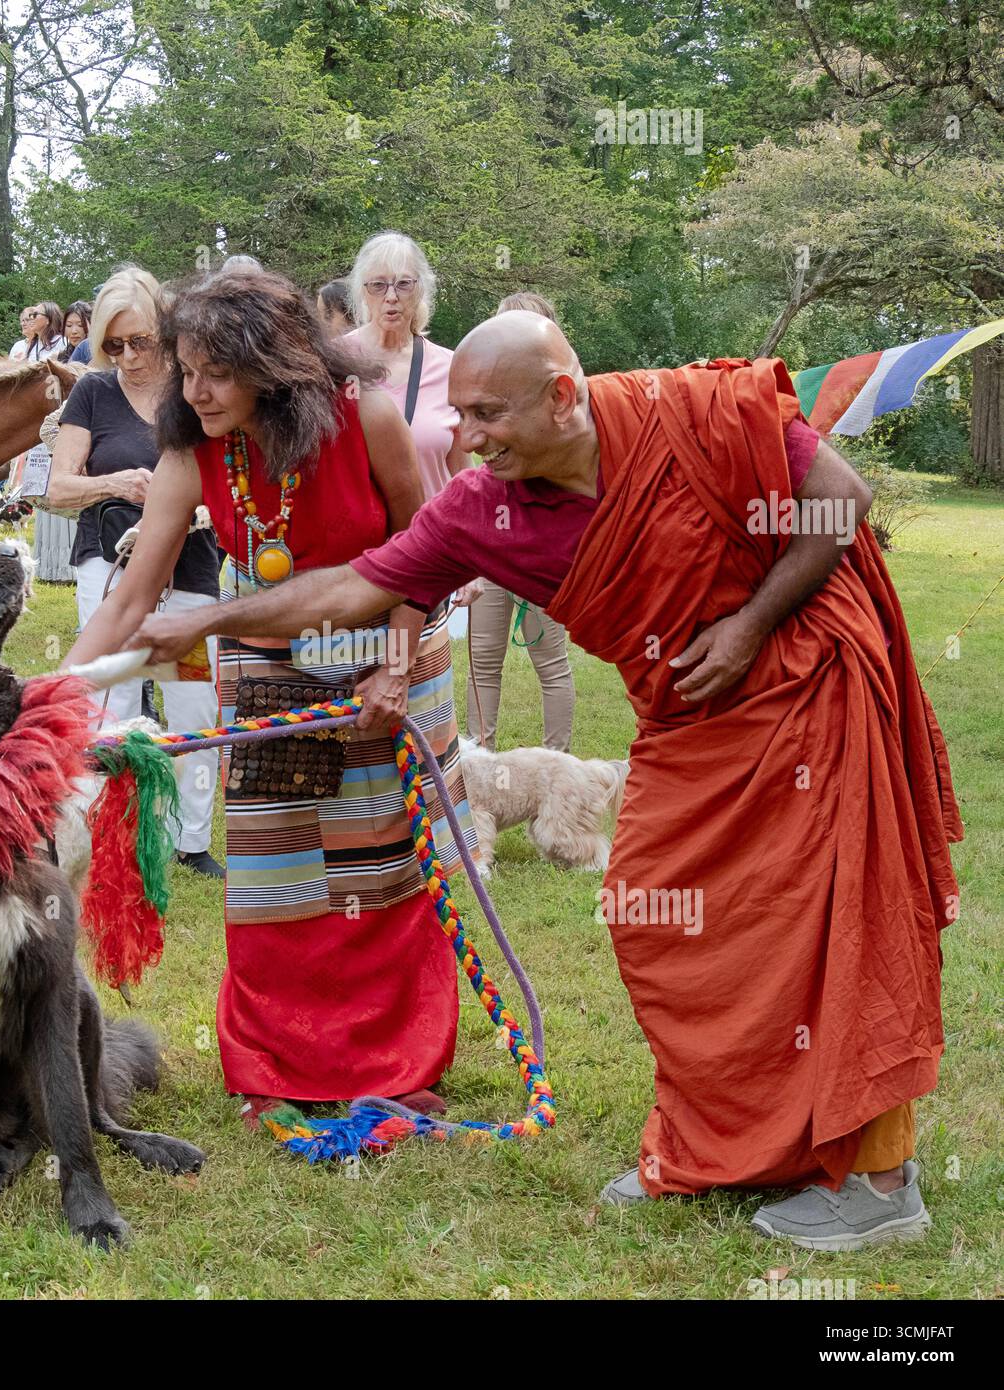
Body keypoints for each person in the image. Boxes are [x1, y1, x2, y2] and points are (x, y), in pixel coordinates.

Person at [125, 311, 962, 1251]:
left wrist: (751, 625)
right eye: (460, 415)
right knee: (670, 925)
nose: (469, 439)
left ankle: (881, 1181)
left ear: (562, 397)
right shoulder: (482, 508)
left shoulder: (687, 411)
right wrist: (206, 621)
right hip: (689, 723)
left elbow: (837, 499)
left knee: (834, 924)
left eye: (488, 416)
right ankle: (740, 1146)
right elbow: (356, 586)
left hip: (811, 688)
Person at [64, 268, 476, 1124]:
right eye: (184, 368)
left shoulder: (365, 413)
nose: (195, 389)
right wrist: (54, 699)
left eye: (216, 370)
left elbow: (428, 553)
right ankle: (282, 1063)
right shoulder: (192, 444)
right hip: (270, 668)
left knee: (385, 872)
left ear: (276, 362)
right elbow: (132, 599)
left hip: (390, 666)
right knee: (275, 873)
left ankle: (396, 1065)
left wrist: (394, 666)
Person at [49, 265, 223, 877]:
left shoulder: (194, 390)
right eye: (113, 345)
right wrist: (114, 482)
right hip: (110, 566)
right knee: (112, 701)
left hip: (194, 568)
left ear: (163, 332)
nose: (126, 357)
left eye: (139, 342)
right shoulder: (93, 393)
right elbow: (56, 487)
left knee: (194, 701)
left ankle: (191, 839)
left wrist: (200, 508)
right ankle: (112, 831)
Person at [465, 292, 576, 751]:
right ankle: (476, 766)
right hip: (491, 546)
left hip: (541, 549)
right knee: (482, 661)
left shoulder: (564, 402)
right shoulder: (483, 397)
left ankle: (558, 765)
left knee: (550, 661)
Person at [345, 231, 469, 498]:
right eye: (378, 285)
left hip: (433, 534)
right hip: (361, 538)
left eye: (403, 284)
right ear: (363, 292)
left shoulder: (451, 368)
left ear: (420, 290)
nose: (391, 296)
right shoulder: (334, 362)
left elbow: (461, 473)